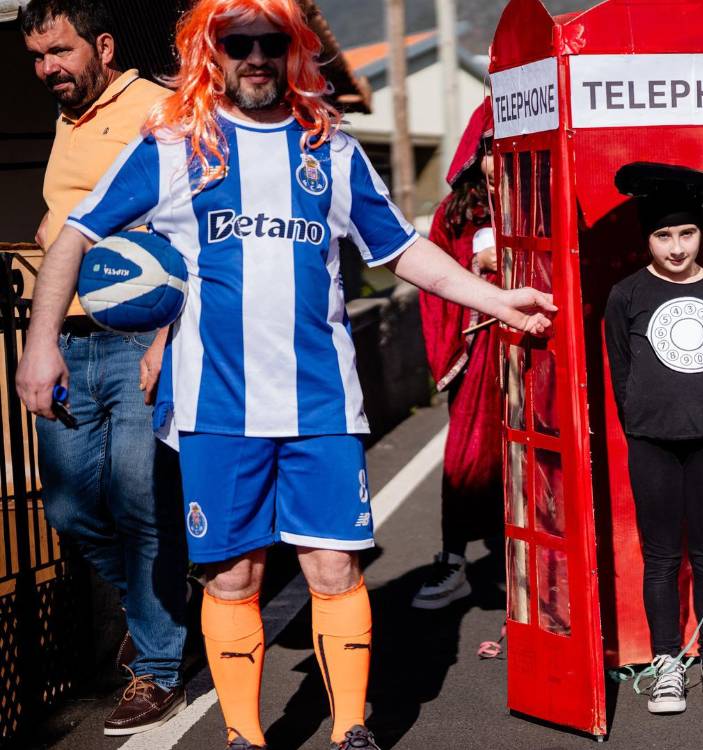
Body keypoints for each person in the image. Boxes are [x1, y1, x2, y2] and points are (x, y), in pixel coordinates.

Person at [13, 1, 557, 748]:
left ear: (293, 50)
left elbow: (400, 250)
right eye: (239, 43)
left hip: (323, 405)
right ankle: (244, 734)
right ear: (215, 51)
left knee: (335, 569)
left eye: (272, 41)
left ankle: (351, 731)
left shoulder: (328, 146)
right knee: (233, 580)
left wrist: (498, 298)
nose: (257, 56)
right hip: (217, 409)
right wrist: (40, 346)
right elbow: (76, 231)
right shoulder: (176, 144)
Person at [20, 0, 188, 736]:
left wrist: (166, 339)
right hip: (71, 343)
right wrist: (43, 335)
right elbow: (68, 218)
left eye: (58, 51)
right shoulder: (68, 117)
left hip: (137, 340)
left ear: (104, 45)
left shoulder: (162, 108)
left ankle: (156, 667)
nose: (47, 68)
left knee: (140, 501)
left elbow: (187, 226)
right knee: (66, 507)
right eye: (36, 57)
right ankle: (157, 610)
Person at [604, 162, 703, 715]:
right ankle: (668, 662)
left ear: (700, 234)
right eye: (664, 235)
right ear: (648, 238)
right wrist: (641, 423)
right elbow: (620, 369)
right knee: (661, 557)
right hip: (652, 443)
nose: (676, 246)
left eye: (686, 233)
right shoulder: (626, 295)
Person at [412, 101, 503, 610]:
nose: (498, 161)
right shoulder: (456, 213)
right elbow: (431, 279)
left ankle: (541, 566)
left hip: (539, 346)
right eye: (490, 150)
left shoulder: (543, 197)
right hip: (480, 348)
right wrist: (476, 262)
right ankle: (455, 559)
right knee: (470, 455)